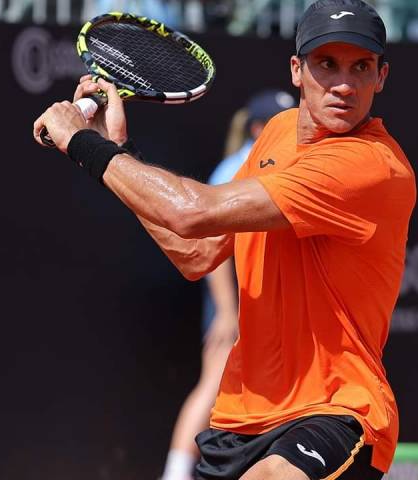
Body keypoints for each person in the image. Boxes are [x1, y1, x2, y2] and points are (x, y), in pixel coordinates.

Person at [33, 0, 416, 478]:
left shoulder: (372, 166)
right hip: (241, 416)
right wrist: (115, 151)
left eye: (361, 67)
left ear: (381, 76)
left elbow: (192, 212)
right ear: (296, 70)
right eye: (327, 64)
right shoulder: (278, 133)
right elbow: (198, 253)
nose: (344, 84)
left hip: (336, 408)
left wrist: (84, 144)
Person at [162, 90, 295, 480]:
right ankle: (174, 474)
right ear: (257, 129)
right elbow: (213, 248)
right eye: (278, 122)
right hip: (234, 307)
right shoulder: (235, 169)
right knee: (212, 388)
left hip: (263, 306)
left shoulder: (285, 163)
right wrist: (226, 311)